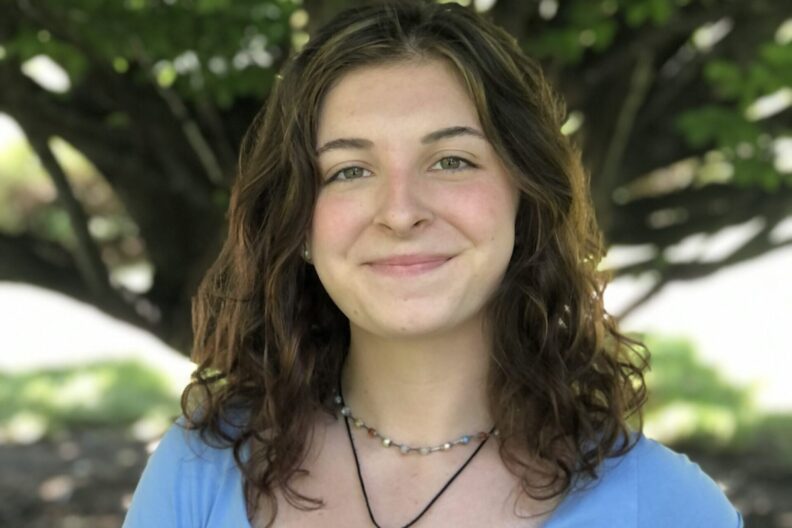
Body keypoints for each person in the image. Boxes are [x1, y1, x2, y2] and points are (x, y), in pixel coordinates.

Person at [123, 1, 743, 526]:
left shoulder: (665, 508)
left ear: (525, 199)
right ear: (298, 225)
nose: (400, 212)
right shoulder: (198, 472)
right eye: (349, 170)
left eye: (450, 160)